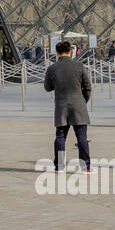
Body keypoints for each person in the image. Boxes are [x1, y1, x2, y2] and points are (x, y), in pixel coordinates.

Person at [43, 41, 92, 172]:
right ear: (70, 51)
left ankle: (59, 166)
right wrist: (83, 101)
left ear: (57, 52)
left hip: (61, 106)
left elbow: (47, 88)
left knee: (60, 137)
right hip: (78, 106)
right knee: (82, 137)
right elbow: (88, 87)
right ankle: (85, 166)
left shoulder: (52, 68)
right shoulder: (80, 66)